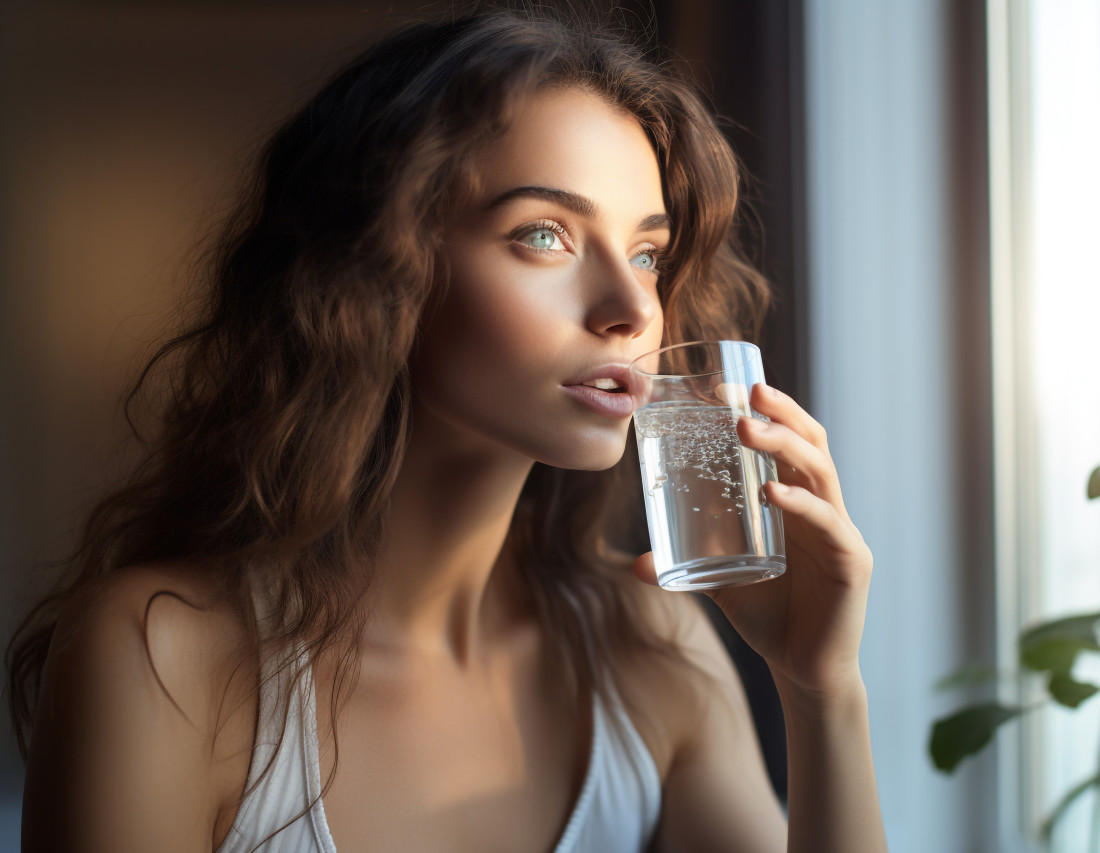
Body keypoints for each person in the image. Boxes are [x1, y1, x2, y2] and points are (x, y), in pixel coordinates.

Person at [8, 8, 886, 852]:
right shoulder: (161, 660)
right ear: (378, 270)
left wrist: (822, 691)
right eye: (545, 234)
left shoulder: (646, 647)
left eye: (648, 252)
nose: (631, 309)